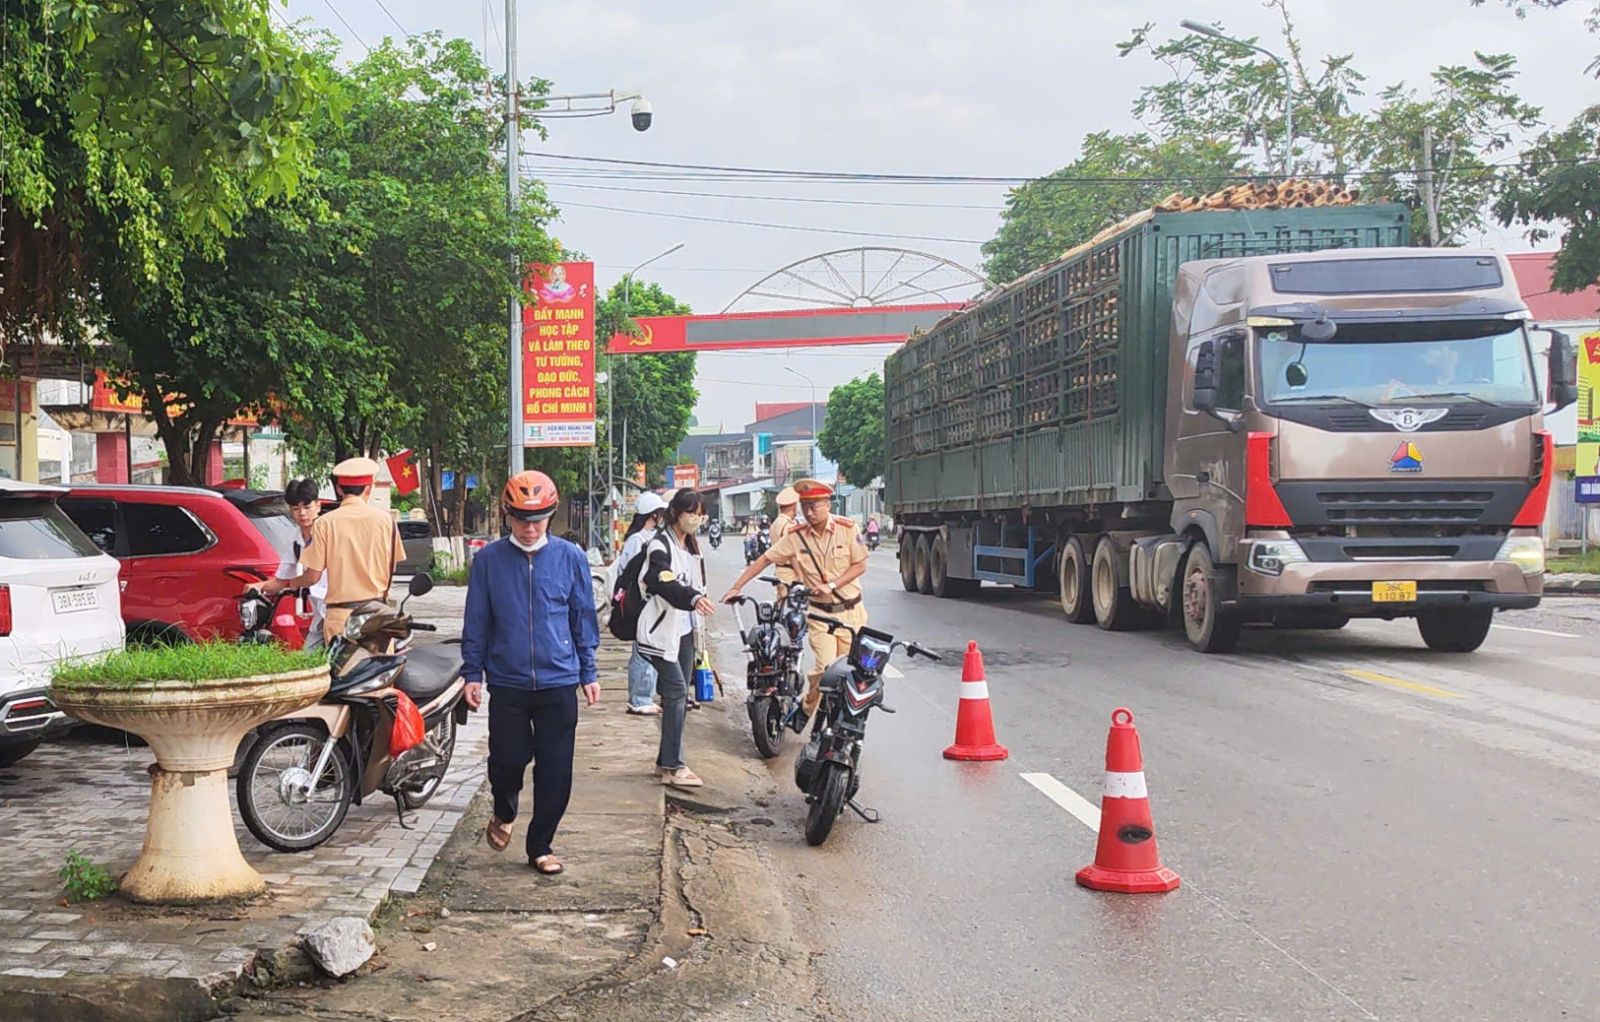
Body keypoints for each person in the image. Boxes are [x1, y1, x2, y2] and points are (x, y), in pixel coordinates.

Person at [461, 470, 600, 875]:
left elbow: (582, 618)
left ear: (551, 516)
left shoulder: (570, 557)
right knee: (506, 760)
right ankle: (504, 809)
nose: (529, 526)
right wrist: (473, 673)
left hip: (559, 681)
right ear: (507, 515)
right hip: (508, 681)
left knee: (556, 769)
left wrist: (588, 671)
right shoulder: (489, 561)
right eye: (521, 517)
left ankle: (540, 844)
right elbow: (477, 620)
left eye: (538, 518)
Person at [722, 478, 865, 734]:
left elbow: (859, 565)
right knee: (824, 668)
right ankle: (807, 709)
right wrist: (737, 587)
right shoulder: (796, 536)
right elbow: (764, 559)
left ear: (828, 504)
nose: (809, 512)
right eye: (805, 506)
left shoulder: (848, 528)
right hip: (821, 615)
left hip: (852, 614)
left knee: (853, 676)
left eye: (815, 506)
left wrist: (832, 585)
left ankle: (846, 724)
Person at [269, 457, 405, 645]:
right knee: (377, 669)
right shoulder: (386, 521)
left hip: (340, 618)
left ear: (339, 489)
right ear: (369, 487)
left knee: (338, 672)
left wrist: (291, 584)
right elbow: (392, 567)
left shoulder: (324, 523)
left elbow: (313, 576)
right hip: (377, 614)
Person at [635, 488, 716, 789]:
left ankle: (665, 761)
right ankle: (673, 764)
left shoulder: (692, 547)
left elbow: (697, 584)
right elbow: (662, 579)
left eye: (700, 513)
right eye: (690, 513)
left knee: (677, 699)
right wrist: (692, 598)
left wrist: (697, 602)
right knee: (677, 692)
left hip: (683, 632)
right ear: (675, 513)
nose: (696, 519)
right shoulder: (659, 545)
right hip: (658, 631)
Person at [254, 479, 327, 649]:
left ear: (318, 505)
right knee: (310, 661)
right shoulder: (295, 540)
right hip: (320, 616)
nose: (302, 513)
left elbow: (312, 577)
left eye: (307, 507)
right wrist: (258, 586)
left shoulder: (328, 533)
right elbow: (280, 580)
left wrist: (292, 584)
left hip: (340, 612)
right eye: (296, 508)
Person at [618, 491, 669, 717]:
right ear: (654, 515)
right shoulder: (637, 540)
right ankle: (639, 697)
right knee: (642, 650)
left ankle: (645, 695)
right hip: (640, 601)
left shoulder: (648, 538)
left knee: (650, 647)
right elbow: (628, 572)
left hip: (651, 601)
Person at [769, 487, 799, 595]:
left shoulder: (776, 523)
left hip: (780, 570)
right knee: (791, 607)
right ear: (793, 506)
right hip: (790, 573)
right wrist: (801, 575)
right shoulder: (788, 526)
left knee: (780, 605)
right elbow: (791, 554)